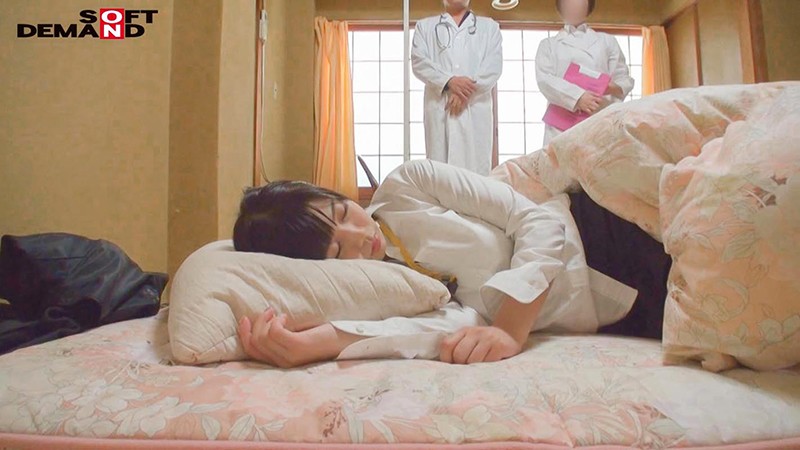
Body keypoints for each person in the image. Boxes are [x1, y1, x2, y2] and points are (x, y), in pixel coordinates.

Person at [233, 160, 662, 369]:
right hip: (611, 314)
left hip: (605, 233)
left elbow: (536, 219)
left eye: (343, 212)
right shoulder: (379, 290)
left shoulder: (408, 185)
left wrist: (509, 329)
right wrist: (317, 343)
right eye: (336, 252)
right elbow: (439, 330)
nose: (360, 237)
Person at [411, 0, 502, 176]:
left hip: (474, 110)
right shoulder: (424, 27)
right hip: (440, 111)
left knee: (475, 178)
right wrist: (448, 81)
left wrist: (462, 92)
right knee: (440, 176)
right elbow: (419, 62)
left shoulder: (490, 27)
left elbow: (493, 68)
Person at [535, 0, 634, 145]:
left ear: (589, 5)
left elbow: (623, 78)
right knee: (561, 157)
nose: (573, 6)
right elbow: (545, 80)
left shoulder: (607, 41)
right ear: (560, 7)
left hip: (600, 117)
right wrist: (578, 97)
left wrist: (608, 87)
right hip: (560, 124)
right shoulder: (548, 45)